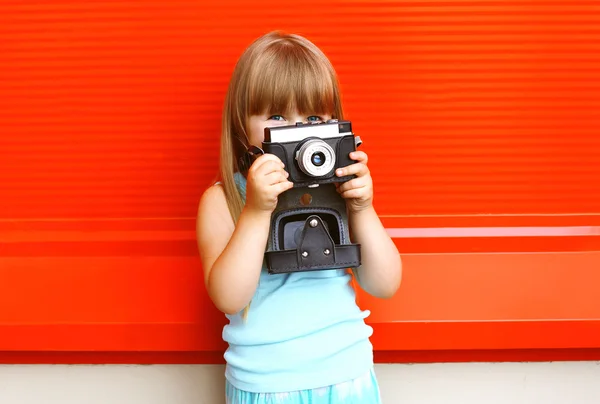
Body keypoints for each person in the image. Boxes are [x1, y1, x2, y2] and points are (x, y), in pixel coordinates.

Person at [196, 30, 402, 404]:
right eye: (276, 115)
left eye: (313, 117)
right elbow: (228, 297)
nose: (295, 130)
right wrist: (257, 211)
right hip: (265, 384)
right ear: (242, 125)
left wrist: (362, 208)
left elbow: (384, 284)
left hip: (346, 376)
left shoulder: (340, 188)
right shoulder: (224, 198)